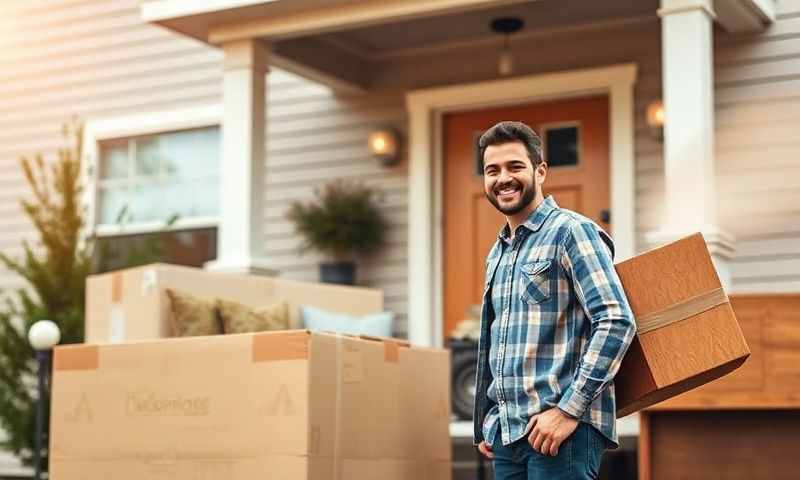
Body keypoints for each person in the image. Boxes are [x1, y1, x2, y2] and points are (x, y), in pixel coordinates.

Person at [472, 121, 637, 479]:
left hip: (560, 434)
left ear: (540, 171)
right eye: (492, 170)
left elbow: (615, 321)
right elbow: (502, 336)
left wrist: (568, 410)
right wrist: (491, 414)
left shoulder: (571, 231)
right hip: (508, 434)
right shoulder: (496, 253)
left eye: (515, 166)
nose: (503, 178)